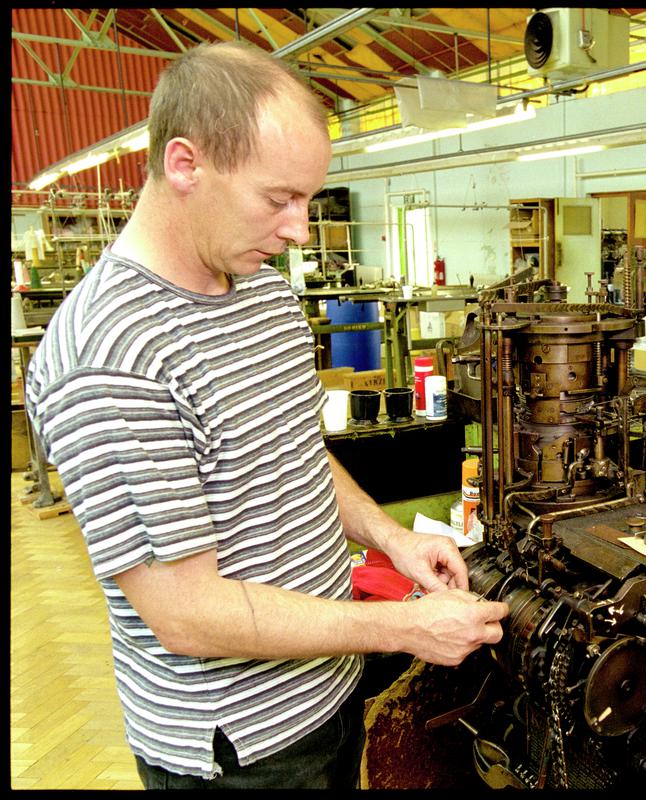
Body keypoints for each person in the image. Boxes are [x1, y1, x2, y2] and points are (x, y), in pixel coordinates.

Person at [23, 41, 509, 789]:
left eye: (308, 200)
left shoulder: (267, 297)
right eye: (278, 198)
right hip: (241, 748)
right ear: (185, 165)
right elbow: (186, 614)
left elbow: (296, 454)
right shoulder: (108, 354)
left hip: (330, 689)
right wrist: (398, 628)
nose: (300, 231)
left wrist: (392, 538)